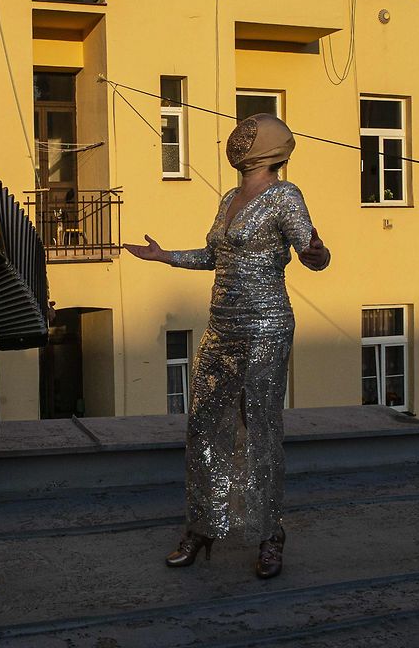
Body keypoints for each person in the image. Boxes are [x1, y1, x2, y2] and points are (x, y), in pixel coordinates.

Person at [125, 113, 330, 581]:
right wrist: (164, 257)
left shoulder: (285, 196)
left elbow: (313, 255)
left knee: (259, 429)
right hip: (221, 329)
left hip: (265, 327)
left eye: (247, 136)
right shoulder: (229, 198)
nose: (237, 141)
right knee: (203, 426)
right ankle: (203, 525)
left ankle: (269, 534)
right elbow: (213, 257)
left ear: (269, 147)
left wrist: (318, 252)